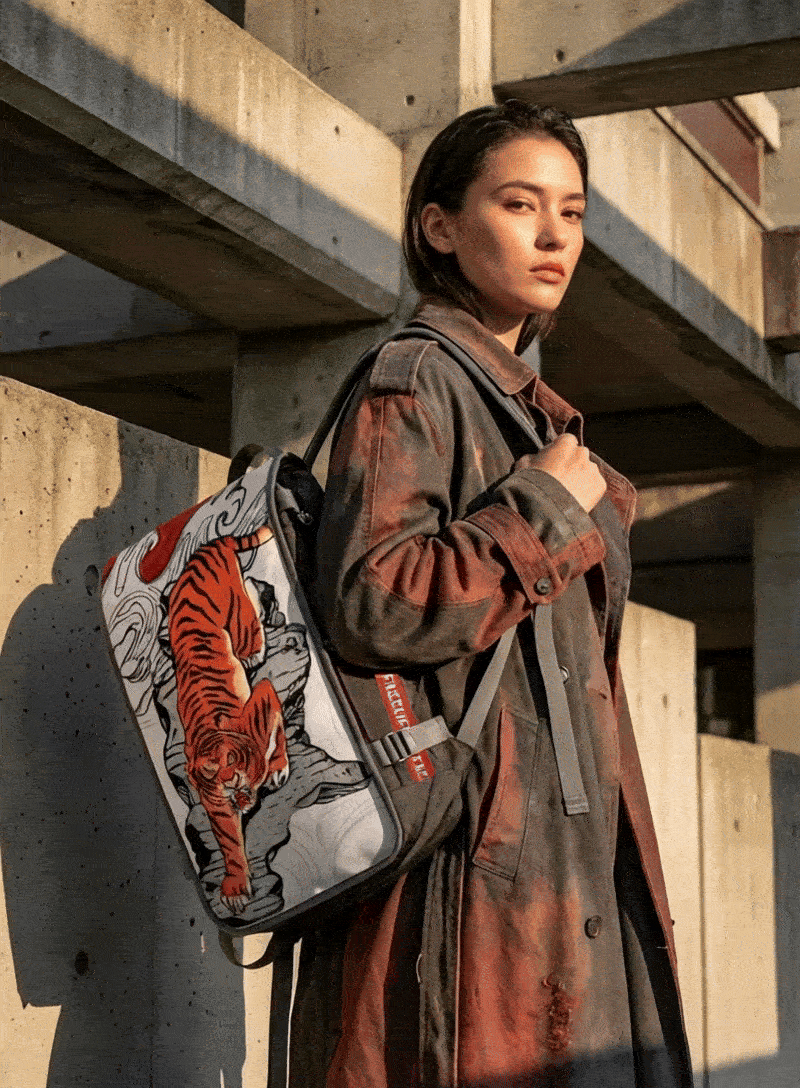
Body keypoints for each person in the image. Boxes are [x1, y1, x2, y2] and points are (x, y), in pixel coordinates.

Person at [289, 100, 693, 1088]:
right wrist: (542, 508)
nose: (554, 235)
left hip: (560, 860)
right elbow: (376, 601)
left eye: (572, 211)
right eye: (519, 204)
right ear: (440, 226)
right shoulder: (416, 378)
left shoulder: (524, 414)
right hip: (463, 866)